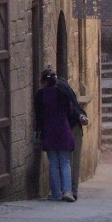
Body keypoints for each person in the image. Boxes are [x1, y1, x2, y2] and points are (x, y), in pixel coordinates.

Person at [33, 68, 77, 202]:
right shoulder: (62, 93)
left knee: (53, 163)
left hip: (49, 131)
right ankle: (67, 191)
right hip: (63, 130)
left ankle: (56, 192)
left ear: (43, 81)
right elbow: (70, 111)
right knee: (65, 162)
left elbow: (38, 115)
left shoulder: (40, 95)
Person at [56, 76, 88, 200]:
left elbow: (71, 110)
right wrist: (81, 116)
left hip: (69, 129)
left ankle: (67, 190)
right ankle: (72, 190)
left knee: (66, 161)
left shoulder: (59, 93)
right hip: (76, 127)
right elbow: (77, 109)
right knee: (74, 161)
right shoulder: (68, 92)